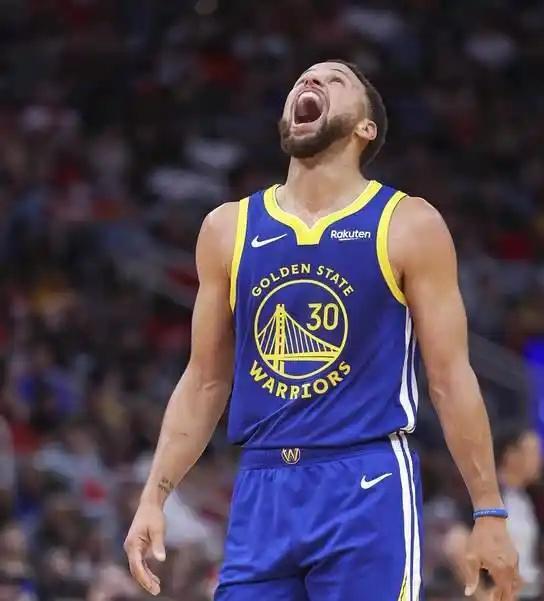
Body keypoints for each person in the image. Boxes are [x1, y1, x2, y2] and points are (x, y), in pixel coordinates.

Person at [123, 60, 519, 601]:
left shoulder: (408, 223)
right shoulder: (228, 228)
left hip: (365, 480)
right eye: (303, 79)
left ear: (366, 127)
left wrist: (489, 510)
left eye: (334, 80)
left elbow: (450, 377)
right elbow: (204, 381)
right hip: (262, 484)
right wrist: (154, 495)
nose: (310, 82)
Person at [445, 426, 543, 599]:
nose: (540, 460)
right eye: (533, 452)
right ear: (511, 455)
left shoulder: (524, 498)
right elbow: (455, 544)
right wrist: (480, 595)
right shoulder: (488, 496)